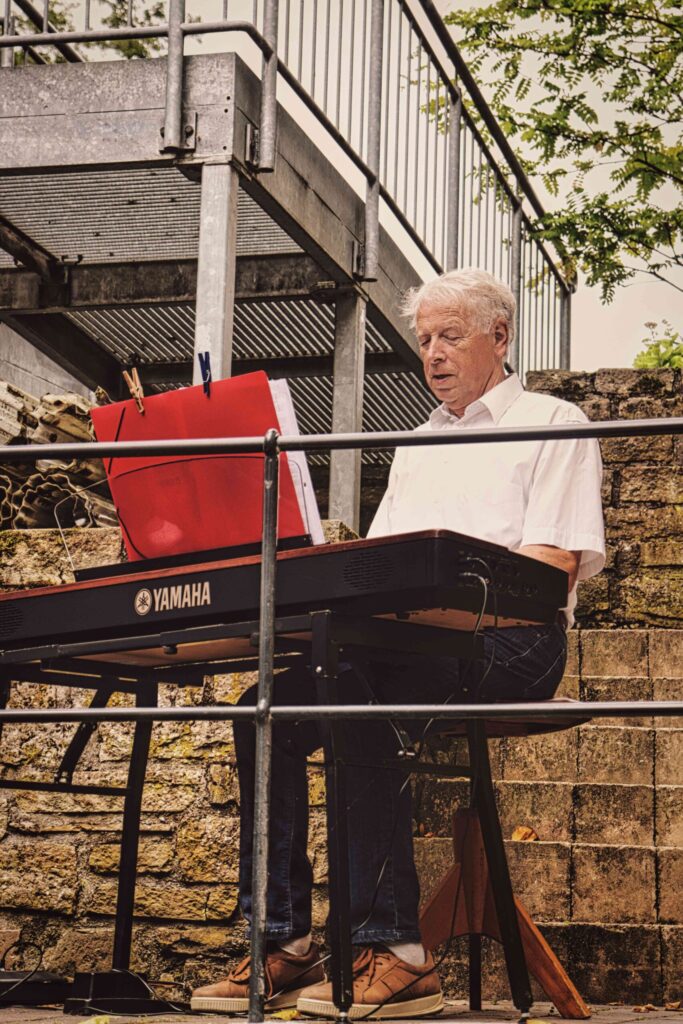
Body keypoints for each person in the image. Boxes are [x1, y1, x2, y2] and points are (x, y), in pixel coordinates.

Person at [190, 268, 605, 1018]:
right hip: (408, 646)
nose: (433, 354)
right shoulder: (412, 444)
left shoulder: (554, 421)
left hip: (514, 646)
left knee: (359, 697)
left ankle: (398, 952)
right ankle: (281, 941)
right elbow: (377, 573)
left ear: (499, 337)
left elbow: (550, 572)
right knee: (265, 708)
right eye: (422, 341)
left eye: (450, 336)